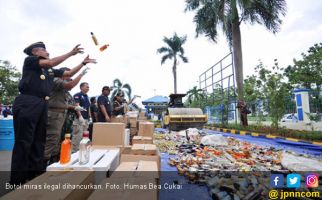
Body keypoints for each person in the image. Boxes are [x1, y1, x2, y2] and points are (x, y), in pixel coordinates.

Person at [10, 42, 88, 185]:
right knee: (24, 142)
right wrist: (71, 53)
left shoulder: (49, 71)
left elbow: (69, 74)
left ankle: (36, 176)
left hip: (42, 105)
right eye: (43, 50)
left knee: (39, 142)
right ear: (35, 52)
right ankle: (17, 181)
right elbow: (51, 62)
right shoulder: (31, 61)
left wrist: (82, 64)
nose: (47, 52)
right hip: (28, 101)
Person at [44, 62, 94, 165]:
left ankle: (55, 162)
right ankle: (42, 167)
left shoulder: (64, 90)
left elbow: (64, 103)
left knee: (59, 142)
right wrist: (80, 74)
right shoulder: (56, 82)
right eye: (68, 76)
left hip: (62, 118)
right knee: (51, 142)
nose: (70, 78)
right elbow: (69, 87)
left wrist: (73, 107)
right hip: (54, 116)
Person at [72, 82, 91, 152]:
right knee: (78, 136)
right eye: (87, 87)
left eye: (88, 87)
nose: (88, 88)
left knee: (84, 136)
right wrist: (80, 116)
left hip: (86, 119)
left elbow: (88, 107)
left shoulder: (87, 96)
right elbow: (77, 106)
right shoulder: (78, 95)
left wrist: (89, 117)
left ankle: (82, 151)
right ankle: (74, 152)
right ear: (81, 87)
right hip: (79, 119)